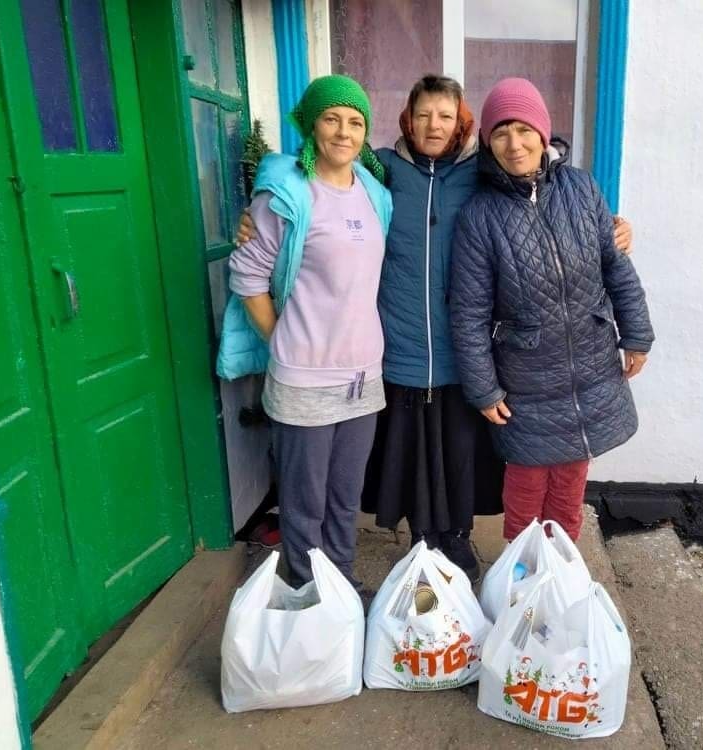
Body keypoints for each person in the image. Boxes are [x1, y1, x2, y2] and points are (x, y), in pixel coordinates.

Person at [236, 75, 634, 581]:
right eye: (423, 115)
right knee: (411, 455)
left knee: (461, 455)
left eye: (446, 116)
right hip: (398, 344)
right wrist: (259, 212)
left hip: (466, 349)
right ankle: (415, 539)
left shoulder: (482, 173)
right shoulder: (381, 171)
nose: (434, 125)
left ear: (461, 122)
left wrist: (614, 227)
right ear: (407, 118)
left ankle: (456, 537)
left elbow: (538, 200)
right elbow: (315, 177)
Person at [449, 77, 654, 542]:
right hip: (526, 380)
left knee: (570, 483)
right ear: (487, 142)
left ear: (543, 133)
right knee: (525, 488)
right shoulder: (480, 215)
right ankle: (522, 575)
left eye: (524, 130)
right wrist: (483, 389)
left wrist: (637, 334)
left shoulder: (581, 188)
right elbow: (469, 314)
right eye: (501, 133)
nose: (514, 144)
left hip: (590, 365)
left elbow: (615, 267)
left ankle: (562, 569)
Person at [222, 74, 392, 589]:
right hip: (304, 378)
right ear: (311, 125)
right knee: (304, 502)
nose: (344, 132)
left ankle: (340, 588)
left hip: (363, 377)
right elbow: (248, 275)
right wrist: (281, 340)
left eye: (355, 122)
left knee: (345, 498)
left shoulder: (374, 192)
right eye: (331, 118)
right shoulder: (287, 193)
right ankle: (306, 591)